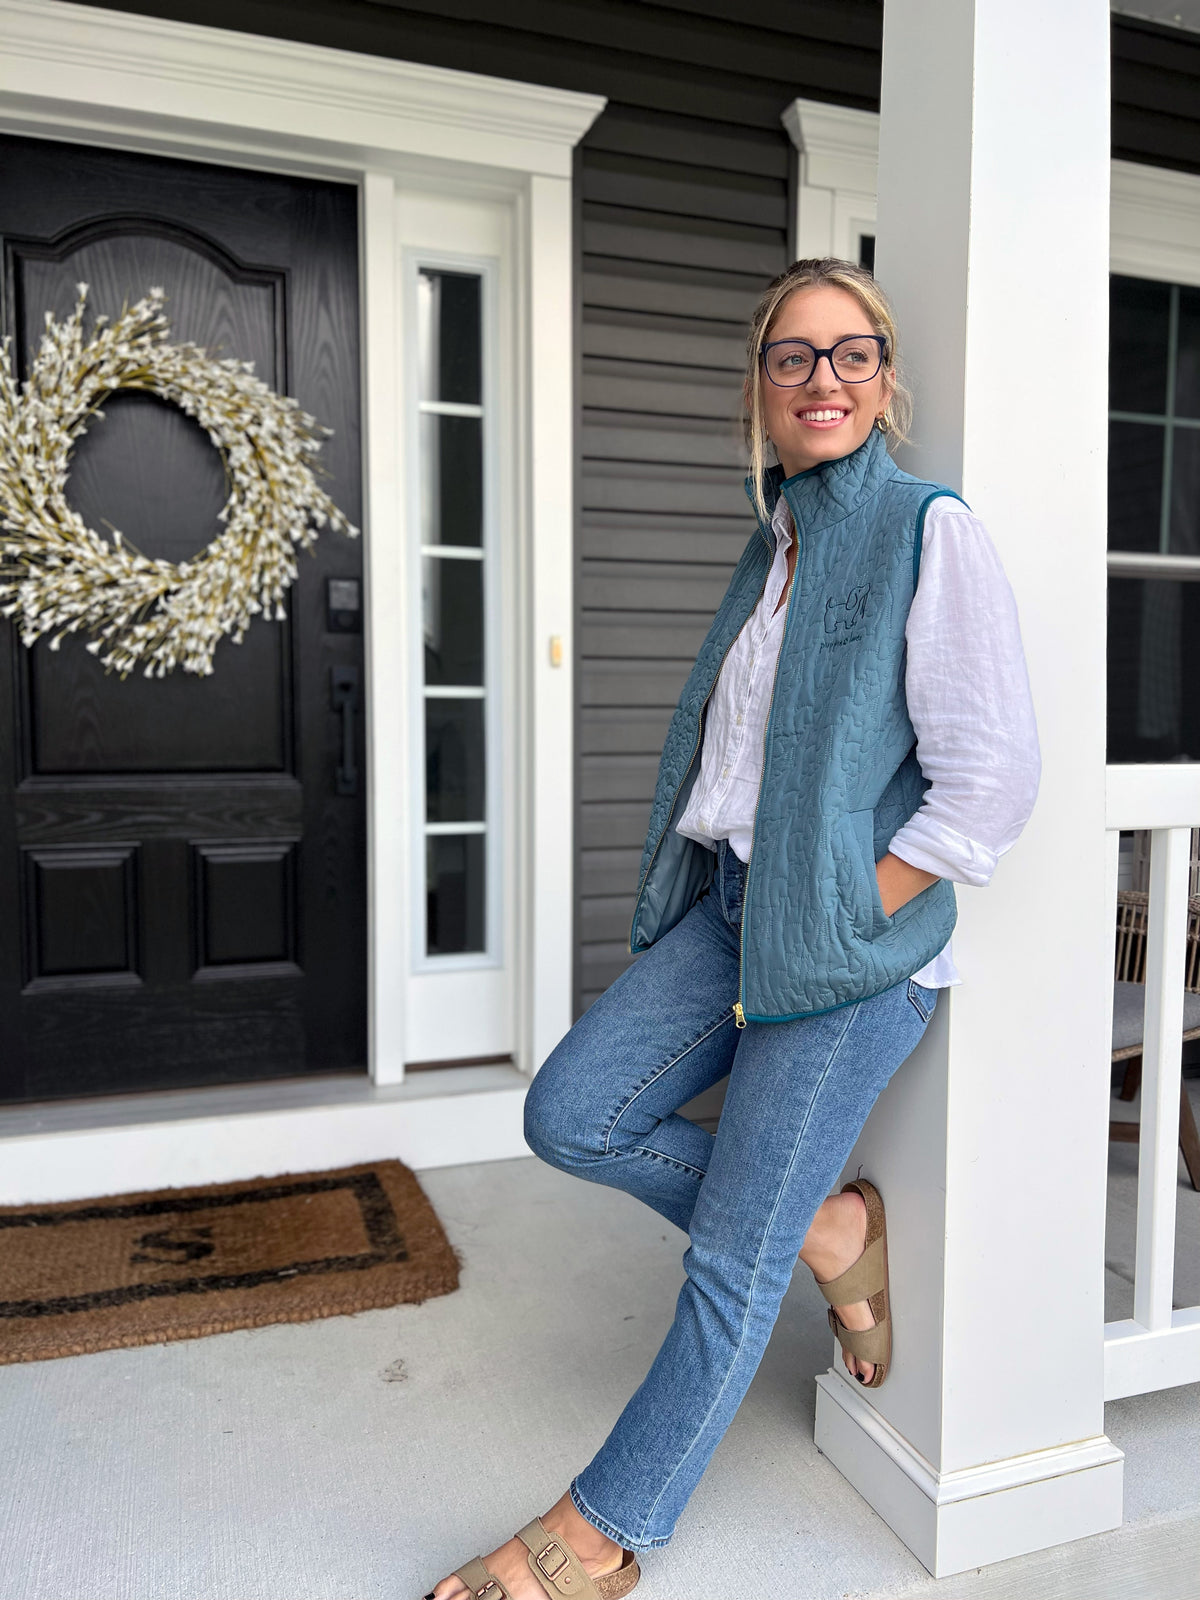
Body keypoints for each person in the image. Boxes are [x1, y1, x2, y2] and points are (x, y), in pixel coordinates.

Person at [424, 257, 1040, 1600]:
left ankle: (603, 1536)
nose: (823, 378)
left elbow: (993, 780)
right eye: (792, 356)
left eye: (851, 353)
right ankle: (828, 1236)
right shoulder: (776, 547)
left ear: (886, 382)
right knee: (572, 1114)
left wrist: (852, 906)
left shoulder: (927, 529)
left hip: (849, 950)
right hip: (733, 912)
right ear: (759, 388)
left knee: (726, 1266)